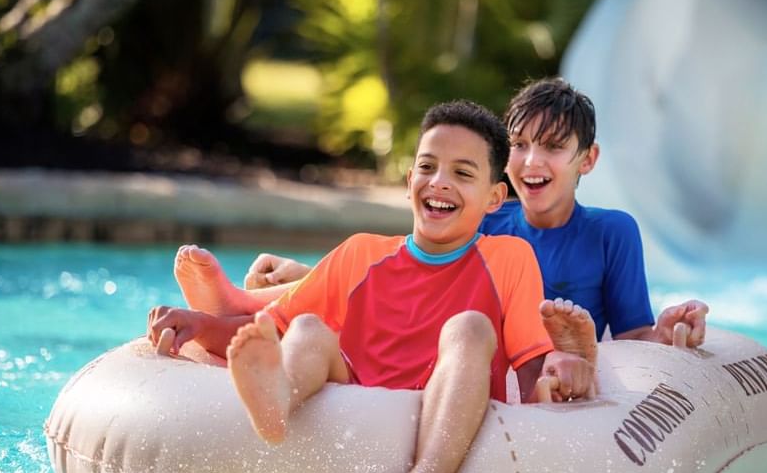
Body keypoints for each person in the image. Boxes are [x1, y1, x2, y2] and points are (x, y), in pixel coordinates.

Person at [146, 100, 596, 473]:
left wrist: (565, 364)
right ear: (409, 182)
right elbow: (263, 330)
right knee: (305, 327)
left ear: (495, 198)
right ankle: (276, 402)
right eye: (427, 167)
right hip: (358, 388)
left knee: (471, 327)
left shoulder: (509, 258)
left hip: (449, 401)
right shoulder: (359, 252)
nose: (439, 182)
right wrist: (199, 325)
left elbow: (532, 369)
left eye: (462, 173)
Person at [228, 78, 709, 346]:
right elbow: (400, 276)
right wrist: (307, 273)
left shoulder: (611, 233)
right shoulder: (486, 219)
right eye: (518, 145)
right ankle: (245, 301)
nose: (530, 162)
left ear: (588, 159)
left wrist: (664, 332)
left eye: (553, 147)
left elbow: (632, 335)